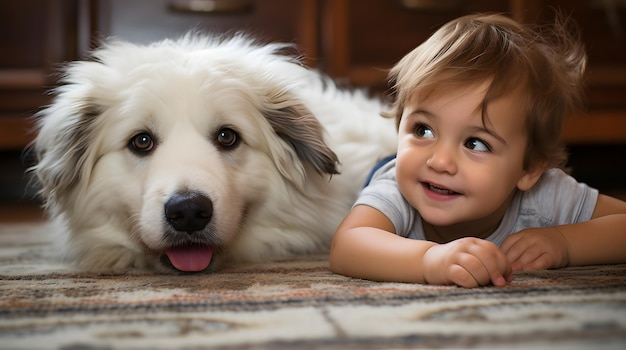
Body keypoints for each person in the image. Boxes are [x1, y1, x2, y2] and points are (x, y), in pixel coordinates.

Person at [329, 13, 626, 288]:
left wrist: (564, 243)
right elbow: (348, 245)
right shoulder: (397, 188)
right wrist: (430, 260)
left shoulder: (543, 195)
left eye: (475, 143)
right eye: (423, 130)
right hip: (387, 168)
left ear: (529, 168)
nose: (440, 161)